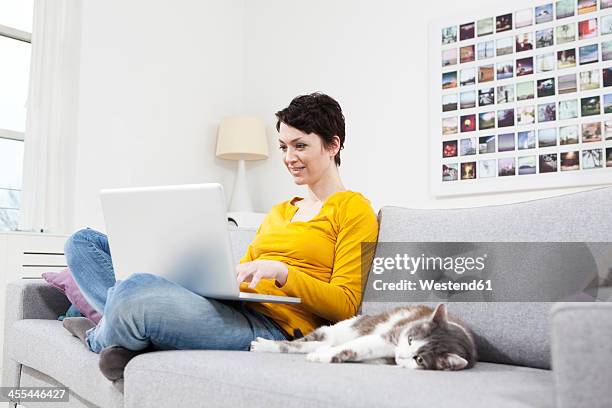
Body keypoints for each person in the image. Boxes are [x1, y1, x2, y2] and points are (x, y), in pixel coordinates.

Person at [62, 92, 379, 380]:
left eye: (300, 145)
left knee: (133, 291)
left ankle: (97, 334)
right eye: (283, 146)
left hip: (276, 328)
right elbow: (241, 274)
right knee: (82, 243)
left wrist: (284, 273)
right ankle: (120, 322)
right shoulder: (280, 211)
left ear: (333, 145)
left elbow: (347, 305)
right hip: (234, 307)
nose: (288, 157)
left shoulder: (355, 210)